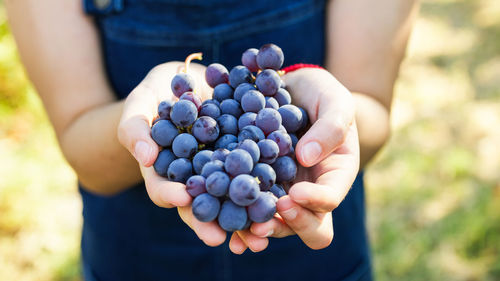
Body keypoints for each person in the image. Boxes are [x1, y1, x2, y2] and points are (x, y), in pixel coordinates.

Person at [6, 0, 418, 280]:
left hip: (311, 246)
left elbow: (374, 113)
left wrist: (319, 105)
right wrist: (150, 123)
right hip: (139, 260)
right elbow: (82, 146)